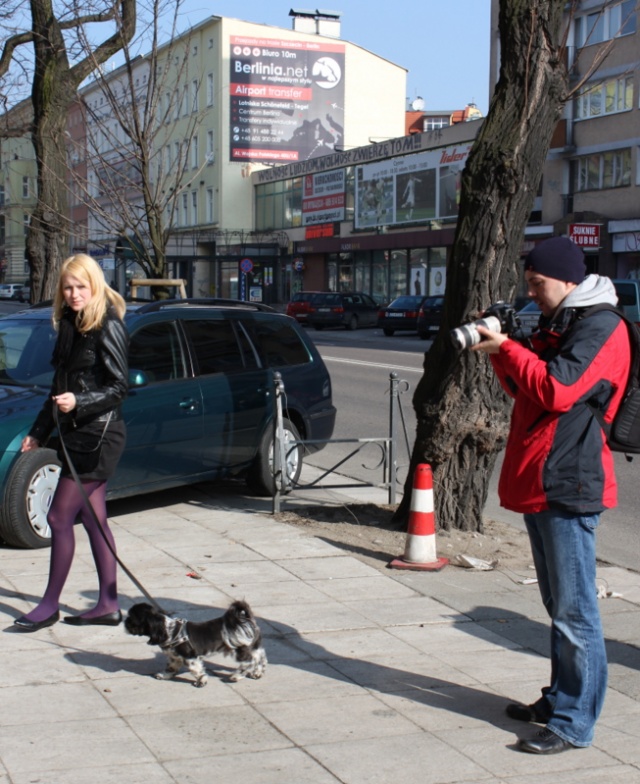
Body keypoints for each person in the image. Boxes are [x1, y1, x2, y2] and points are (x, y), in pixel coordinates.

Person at [472, 236, 631, 754]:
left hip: (571, 483)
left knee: (576, 611)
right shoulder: (564, 323)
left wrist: (510, 347)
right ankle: (560, 696)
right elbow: (527, 389)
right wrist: (500, 353)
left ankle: (573, 722)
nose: (532, 295)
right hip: (546, 479)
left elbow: (558, 390)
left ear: (566, 280)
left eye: (538, 285)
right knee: (557, 605)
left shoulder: (602, 327)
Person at [13, 254, 128, 632]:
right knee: (94, 521)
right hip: (76, 434)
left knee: (59, 516)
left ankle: (48, 606)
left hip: (98, 436)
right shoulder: (70, 324)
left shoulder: (107, 324)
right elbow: (57, 386)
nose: (74, 293)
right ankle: (108, 604)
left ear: (94, 285)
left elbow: (118, 387)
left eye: (81, 286)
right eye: (68, 287)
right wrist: (38, 432)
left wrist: (80, 402)